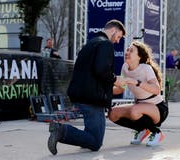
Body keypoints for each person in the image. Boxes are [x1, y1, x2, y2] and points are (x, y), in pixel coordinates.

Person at [47, 19, 126, 155]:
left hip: (81, 95)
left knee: (91, 135)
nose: (118, 41)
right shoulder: (105, 44)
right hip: (92, 99)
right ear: (113, 30)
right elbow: (101, 69)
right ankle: (61, 131)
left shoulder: (91, 43)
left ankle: (72, 135)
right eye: (118, 36)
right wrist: (115, 79)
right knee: (95, 142)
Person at [109, 41, 169, 147]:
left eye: (131, 51)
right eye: (127, 49)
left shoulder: (146, 68)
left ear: (139, 57)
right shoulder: (125, 67)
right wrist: (104, 90)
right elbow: (121, 89)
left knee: (134, 110)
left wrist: (137, 82)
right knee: (112, 114)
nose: (127, 52)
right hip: (139, 106)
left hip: (158, 108)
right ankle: (142, 130)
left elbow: (156, 90)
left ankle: (157, 133)